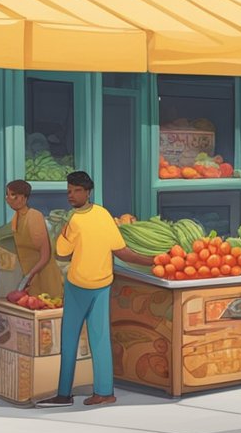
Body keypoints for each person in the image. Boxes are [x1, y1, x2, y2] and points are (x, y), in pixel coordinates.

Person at [36, 172, 155, 408]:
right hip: (101, 285)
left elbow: (61, 253)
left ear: (88, 192)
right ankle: (104, 392)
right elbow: (121, 251)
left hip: (80, 286)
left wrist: (64, 233)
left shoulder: (74, 221)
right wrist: (152, 261)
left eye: (77, 190)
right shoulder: (103, 214)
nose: (71, 195)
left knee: (71, 340)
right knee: (99, 339)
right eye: (69, 191)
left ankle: (65, 394)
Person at [5, 180, 63, 300]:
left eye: (12, 195)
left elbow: (45, 255)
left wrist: (29, 276)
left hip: (45, 278)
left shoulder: (33, 216)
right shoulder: (16, 218)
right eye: (7, 194)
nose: (8, 198)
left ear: (23, 198)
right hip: (31, 280)